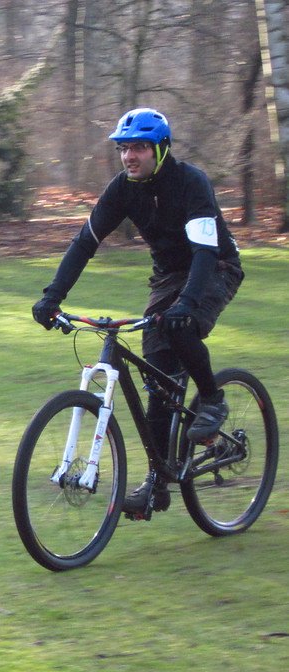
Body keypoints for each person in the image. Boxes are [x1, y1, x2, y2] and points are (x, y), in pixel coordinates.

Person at [32, 107, 243, 515]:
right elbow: (85, 243)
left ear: (161, 149)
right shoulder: (122, 189)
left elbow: (205, 252)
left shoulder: (191, 182)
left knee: (181, 326)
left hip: (215, 266)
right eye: (123, 149)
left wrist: (187, 304)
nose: (129, 156)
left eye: (139, 148)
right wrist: (51, 297)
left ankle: (213, 399)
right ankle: (157, 482)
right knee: (158, 380)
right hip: (167, 276)